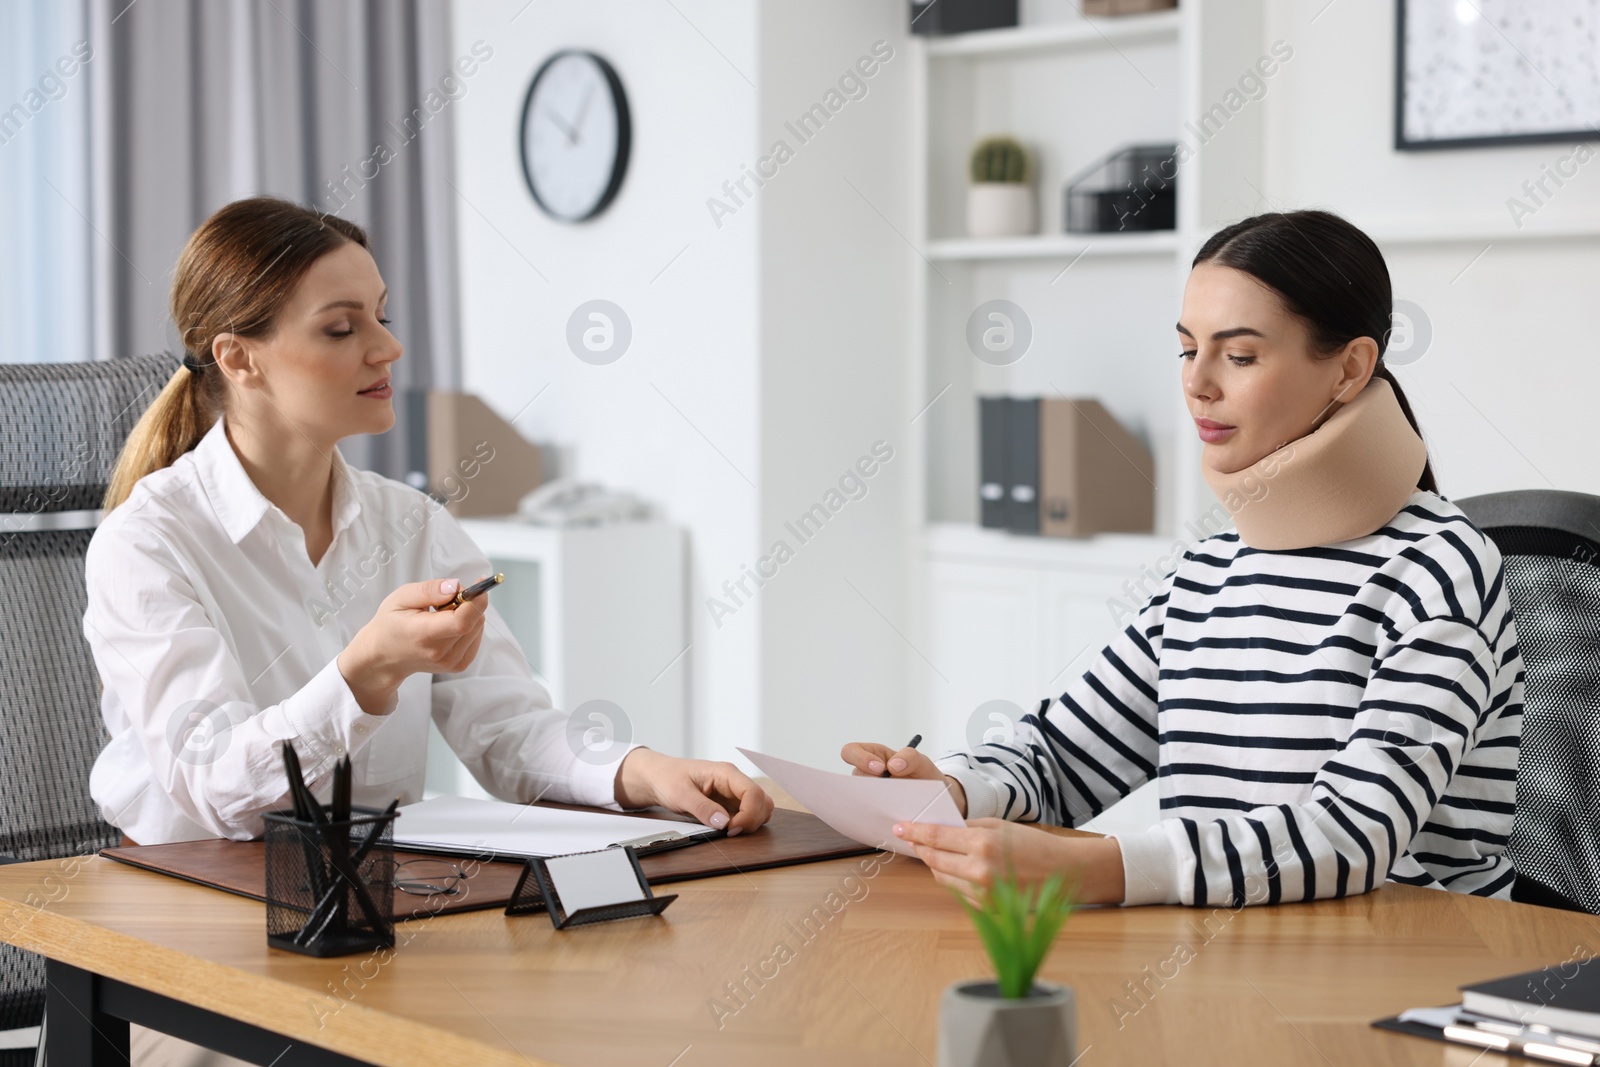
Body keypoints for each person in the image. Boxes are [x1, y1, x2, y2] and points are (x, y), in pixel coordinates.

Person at [843, 209, 1525, 910]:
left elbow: (1354, 833)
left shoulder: (1440, 568)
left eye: (1239, 355)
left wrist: (1102, 869)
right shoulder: (1208, 573)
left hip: (1419, 965)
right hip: (1232, 956)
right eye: (1185, 349)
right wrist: (949, 790)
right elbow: (1064, 756)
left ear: (1349, 369)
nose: (1197, 383)